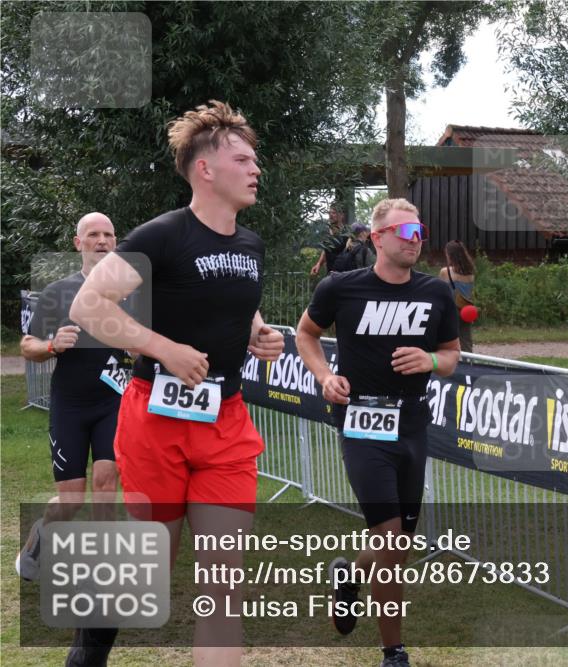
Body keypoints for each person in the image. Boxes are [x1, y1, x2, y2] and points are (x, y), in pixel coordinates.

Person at [69, 100, 285, 667]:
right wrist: (162, 348)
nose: (256, 169)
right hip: (155, 422)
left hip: (225, 423)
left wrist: (258, 332)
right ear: (205, 169)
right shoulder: (162, 235)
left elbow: (233, 303)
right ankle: (90, 647)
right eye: (243, 159)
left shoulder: (251, 244)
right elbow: (88, 305)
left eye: (255, 159)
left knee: (223, 587)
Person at [296, 198, 460, 667]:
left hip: (412, 425)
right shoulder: (341, 287)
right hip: (362, 423)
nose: (415, 240)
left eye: (419, 231)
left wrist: (430, 360)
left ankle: (353, 581)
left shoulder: (436, 293)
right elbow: (306, 334)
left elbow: (451, 355)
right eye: (405, 232)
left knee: (399, 543)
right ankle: (392, 648)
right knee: (388, 534)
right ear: (377, 238)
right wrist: (325, 376)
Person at [17, 212, 125, 667]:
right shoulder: (58, 292)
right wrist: (51, 345)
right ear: (78, 242)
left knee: (106, 481)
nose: (102, 240)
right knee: (70, 500)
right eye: (93, 235)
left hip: (114, 403)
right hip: (71, 406)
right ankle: (41, 535)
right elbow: (27, 345)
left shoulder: (132, 292)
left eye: (109, 234)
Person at [437, 240, 476, 352]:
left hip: (451, 311)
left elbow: (439, 293)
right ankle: (468, 360)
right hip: (466, 310)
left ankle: (450, 359)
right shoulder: (470, 273)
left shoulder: (445, 272)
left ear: (450, 255)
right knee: (466, 340)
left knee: (447, 339)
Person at [310, 205, 348, 276]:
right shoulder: (327, 233)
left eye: (334, 213)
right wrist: (319, 264)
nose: (330, 215)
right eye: (329, 213)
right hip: (330, 273)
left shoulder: (346, 233)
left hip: (343, 274)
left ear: (341, 215)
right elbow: (326, 250)